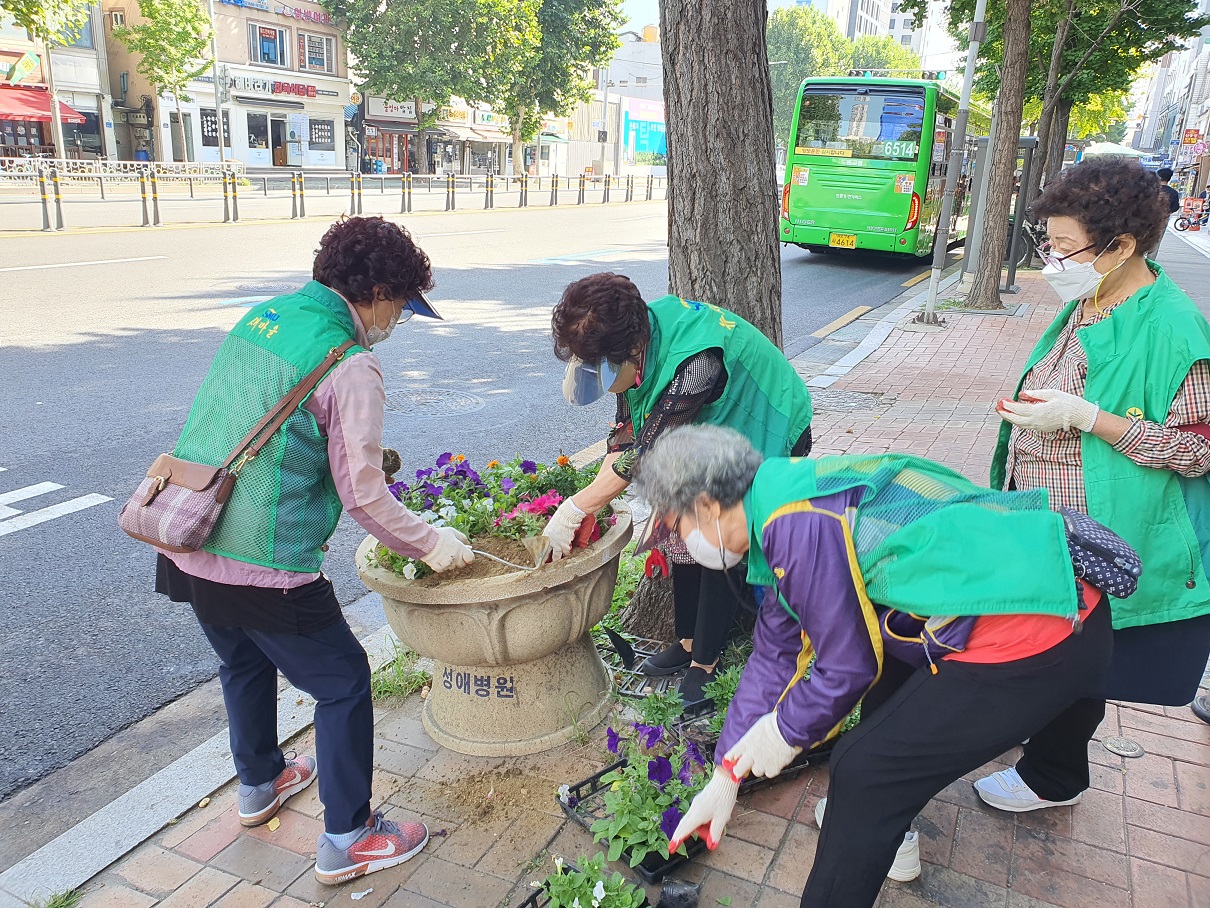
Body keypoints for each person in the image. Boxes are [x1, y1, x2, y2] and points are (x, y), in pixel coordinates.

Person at [636, 426, 1113, 908]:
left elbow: (847, 666)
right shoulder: (780, 494)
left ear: (709, 504)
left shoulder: (795, 523)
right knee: (882, 708)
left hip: (1039, 627)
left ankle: (874, 829)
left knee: (862, 769)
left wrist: (781, 733)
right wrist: (726, 773)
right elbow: (775, 656)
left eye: (677, 526)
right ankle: (887, 831)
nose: (679, 542)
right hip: (1050, 585)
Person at [155, 216, 474, 885]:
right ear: (379, 290)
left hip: (187, 535)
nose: (398, 321)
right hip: (266, 565)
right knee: (344, 681)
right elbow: (363, 498)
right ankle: (347, 838)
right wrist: (432, 543)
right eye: (403, 307)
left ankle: (260, 783)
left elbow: (252, 420)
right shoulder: (350, 362)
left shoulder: (264, 316)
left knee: (243, 661)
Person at [981, 157, 1210, 813]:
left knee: (1079, 659)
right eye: (1047, 243)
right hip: (1049, 522)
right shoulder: (1093, 298)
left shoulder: (1173, 327)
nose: (1052, 260)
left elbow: (1196, 449)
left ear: (1123, 245)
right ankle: (1030, 737)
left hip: (1106, 535)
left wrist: (1089, 419)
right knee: (1045, 644)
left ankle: (1053, 778)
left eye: (1064, 247)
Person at [544, 273, 813, 705]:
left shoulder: (696, 362)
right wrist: (589, 503)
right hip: (708, 431)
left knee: (718, 543)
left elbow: (642, 455)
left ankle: (706, 663)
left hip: (765, 421)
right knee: (677, 528)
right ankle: (687, 642)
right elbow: (626, 436)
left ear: (632, 347)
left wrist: (575, 508)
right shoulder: (633, 349)